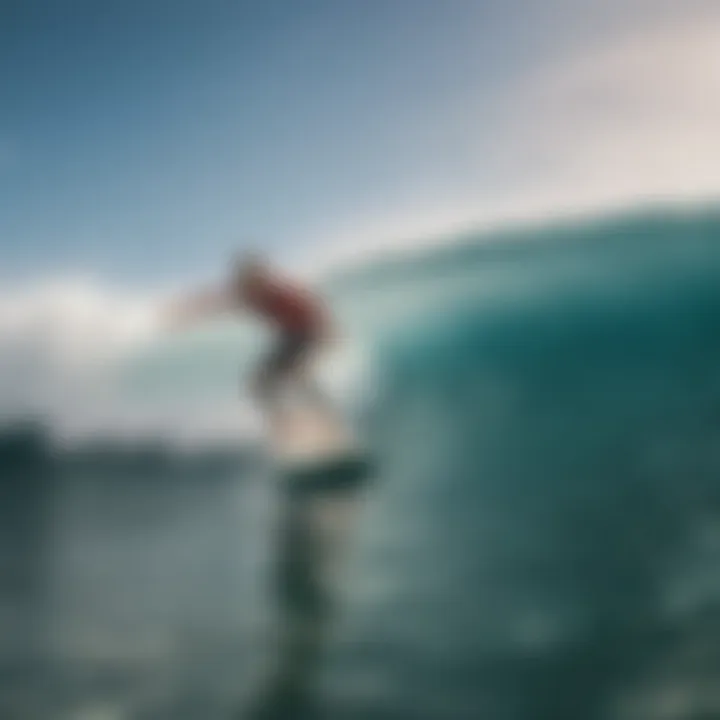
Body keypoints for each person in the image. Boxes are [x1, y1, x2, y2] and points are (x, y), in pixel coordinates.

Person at [166, 253, 335, 430]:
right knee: (265, 384)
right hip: (291, 337)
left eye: (252, 278)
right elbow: (216, 301)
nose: (248, 284)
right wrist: (185, 312)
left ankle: (315, 418)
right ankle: (287, 424)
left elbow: (311, 311)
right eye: (246, 279)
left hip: (305, 335)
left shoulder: (277, 292)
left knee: (283, 379)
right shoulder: (248, 293)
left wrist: (324, 334)